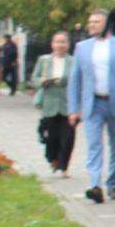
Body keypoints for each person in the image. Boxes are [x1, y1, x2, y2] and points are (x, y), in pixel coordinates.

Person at [68, 9, 115, 203]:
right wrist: (73, 108)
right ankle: (95, 184)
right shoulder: (82, 47)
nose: (92, 25)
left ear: (107, 24)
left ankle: (114, 183)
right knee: (94, 145)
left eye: (97, 21)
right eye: (90, 22)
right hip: (93, 103)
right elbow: (75, 78)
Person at [33, 32, 76, 176]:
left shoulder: (73, 62)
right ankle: (53, 159)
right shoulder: (44, 60)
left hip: (68, 105)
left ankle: (64, 167)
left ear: (68, 45)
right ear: (52, 44)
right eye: (57, 42)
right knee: (51, 138)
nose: (60, 45)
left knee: (68, 138)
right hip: (49, 104)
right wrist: (42, 81)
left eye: (63, 42)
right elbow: (34, 78)